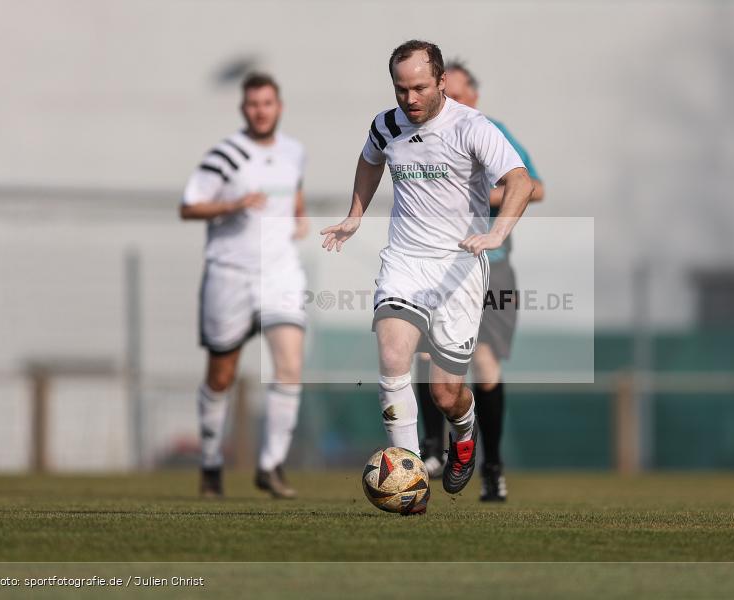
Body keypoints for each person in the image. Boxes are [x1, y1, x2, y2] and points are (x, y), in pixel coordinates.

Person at [320, 40, 533, 506]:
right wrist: (356, 214)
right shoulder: (386, 124)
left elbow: (520, 180)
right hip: (404, 260)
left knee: (444, 393)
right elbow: (370, 159)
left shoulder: (472, 127)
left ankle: (464, 429)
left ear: (440, 82)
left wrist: (497, 234)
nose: (410, 99)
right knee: (393, 357)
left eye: (420, 88)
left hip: (458, 267)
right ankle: (410, 478)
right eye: (401, 89)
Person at [415, 61, 545, 501]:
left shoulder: (492, 130)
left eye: (460, 89)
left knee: (486, 361)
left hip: (492, 265)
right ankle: (432, 450)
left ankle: (492, 465)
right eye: (445, 89)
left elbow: (534, 186)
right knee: (422, 350)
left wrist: (478, 192)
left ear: (473, 95)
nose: (452, 96)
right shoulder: (424, 133)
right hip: (434, 262)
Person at [180, 72, 309, 499]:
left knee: (289, 366)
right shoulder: (224, 155)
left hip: (280, 272)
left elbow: (295, 193)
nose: (260, 110)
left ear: (279, 106)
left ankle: (271, 465)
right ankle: (212, 464)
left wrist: (300, 217)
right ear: (243, 109)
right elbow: (189, 206)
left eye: (267, 103)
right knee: (222, 375)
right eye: (253, 104)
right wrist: (232, 204)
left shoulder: (294, 152)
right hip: (229, 273)